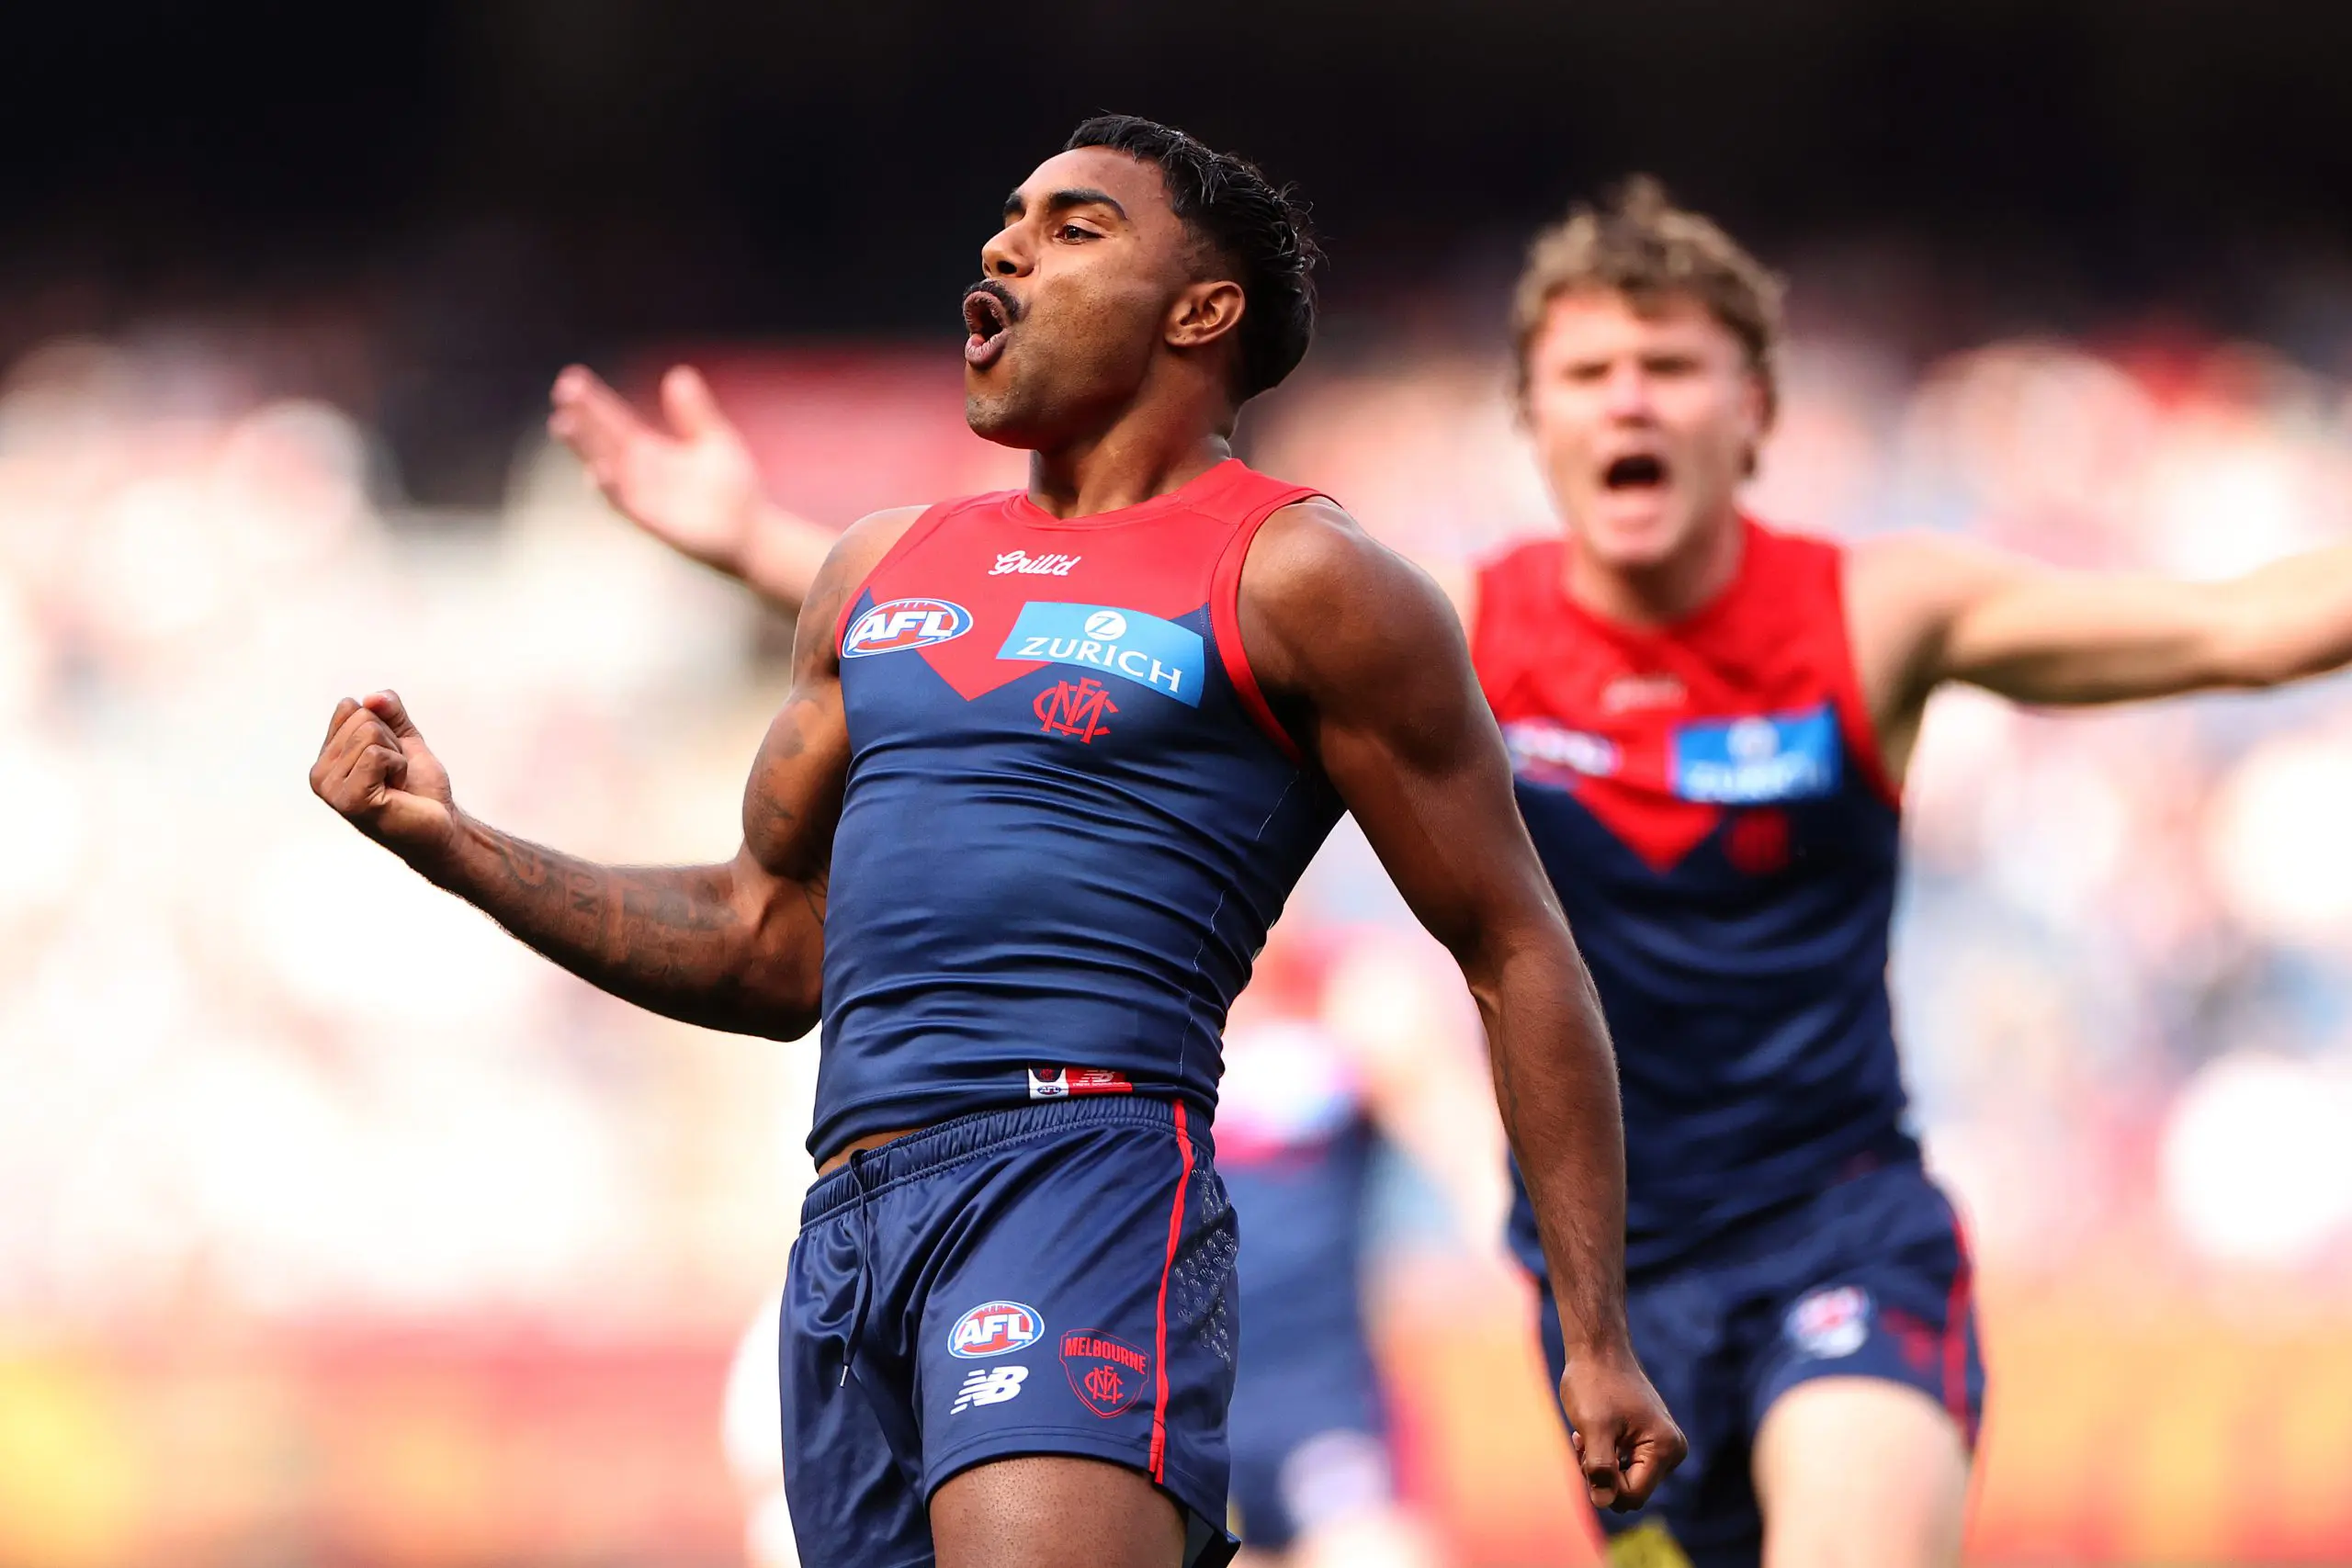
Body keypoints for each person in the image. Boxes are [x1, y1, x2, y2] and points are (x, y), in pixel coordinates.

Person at [558, 173, 2352, 1568]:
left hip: (1836, 1233)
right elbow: (1047, 642)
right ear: (1539, 421)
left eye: (1671, 367)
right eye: (1586, 371)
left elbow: (2243, 627)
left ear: (1754, 412)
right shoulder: (1454, 634)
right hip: (1608, 1278)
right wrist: (753, 545)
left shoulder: (1876, 614)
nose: (1626, 400)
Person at [314, 116, 1681, 1568]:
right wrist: (452, 841)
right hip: (848, 1223)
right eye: (1009, 218)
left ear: (1200, 311)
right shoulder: (877, 571)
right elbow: (768, 943)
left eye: (1076, 225)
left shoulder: (1305, 576)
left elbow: (1516, 945)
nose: (1004, 243)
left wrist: (1590, 1327)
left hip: (1078, 1173)